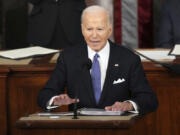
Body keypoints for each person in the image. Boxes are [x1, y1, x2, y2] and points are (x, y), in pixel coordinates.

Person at [37, 5, 158, 115]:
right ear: (82, 29)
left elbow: (149, 99)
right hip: (80, 128)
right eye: (89, 29)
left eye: (100, 29)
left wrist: (128, 105)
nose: (94, 35)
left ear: (109, 30)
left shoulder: (128, 58)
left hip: (117, 127)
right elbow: (44, 95)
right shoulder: (68, 57)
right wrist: (54, 100)